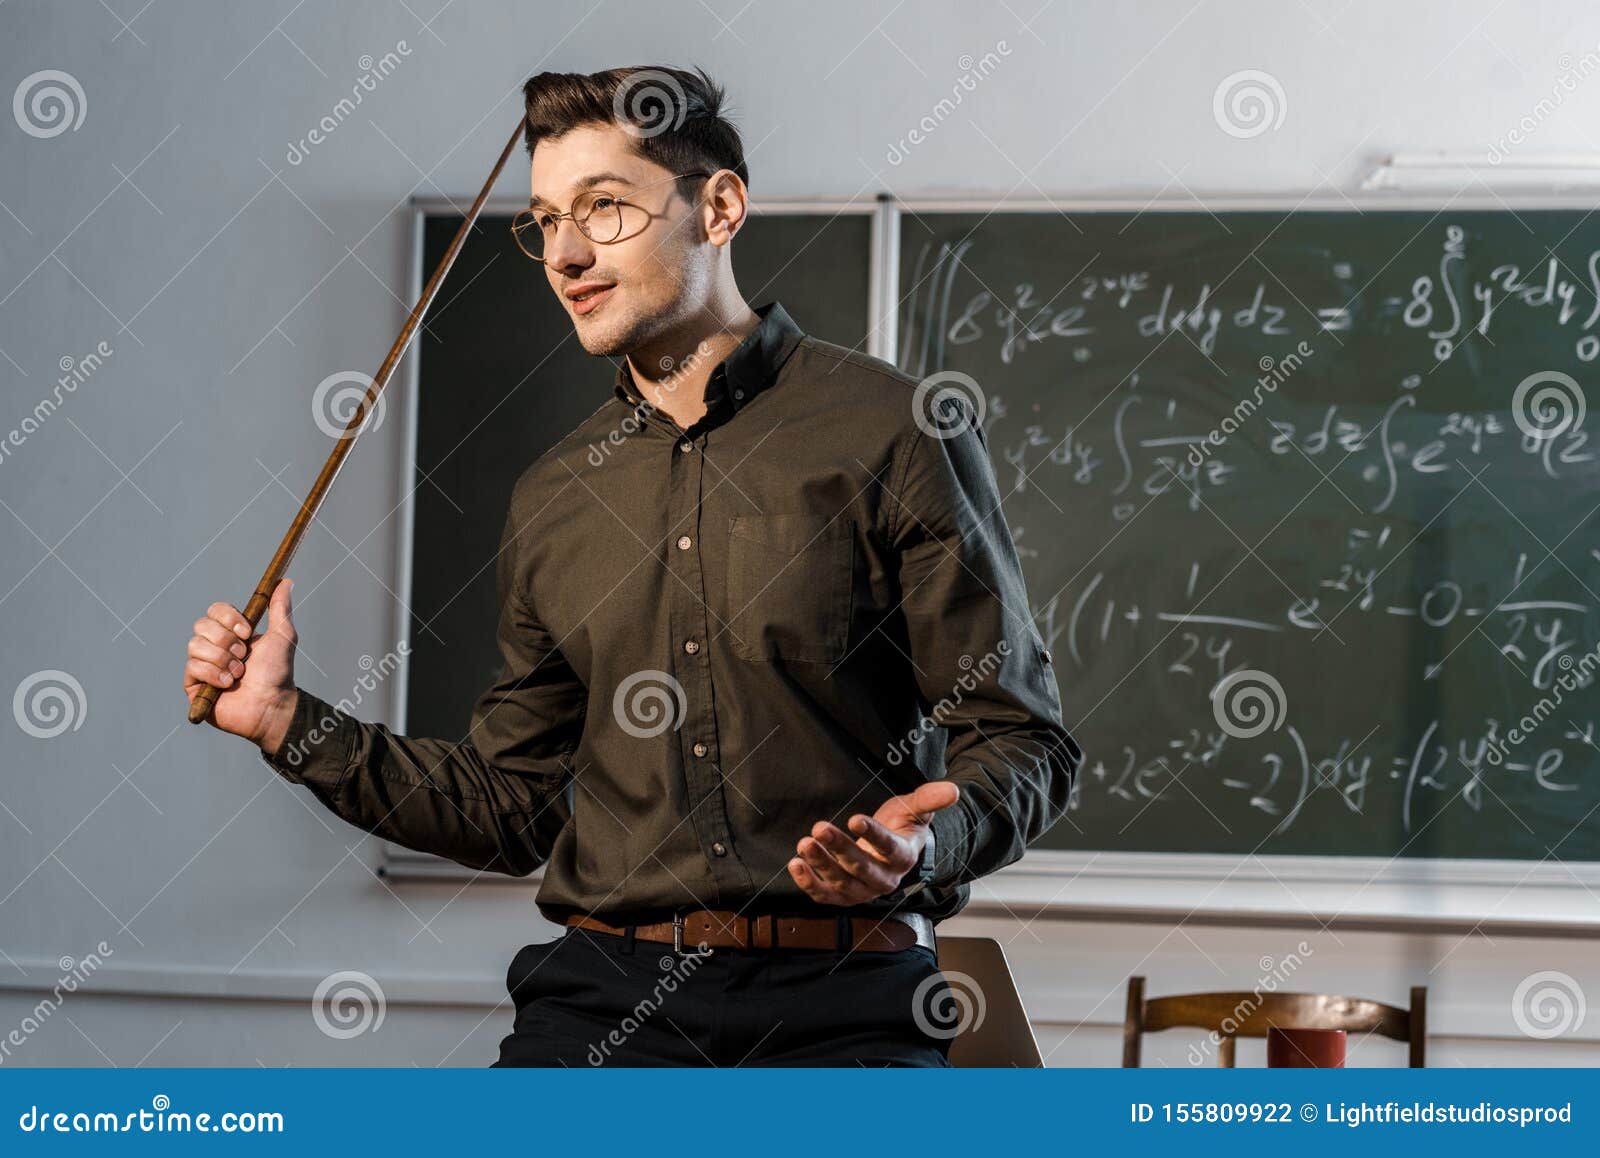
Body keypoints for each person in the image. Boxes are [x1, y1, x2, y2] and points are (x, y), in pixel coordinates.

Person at [183, 64, 1080, 1067]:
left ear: (720, 206)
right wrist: (285, 724)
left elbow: (1024, 741)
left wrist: (924, 845)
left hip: (848, 1009)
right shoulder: (556, 494)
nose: (564, 253)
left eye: (602, 208)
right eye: (543, 221)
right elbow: (512, 807)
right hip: (601, 1012)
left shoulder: (892, 431)